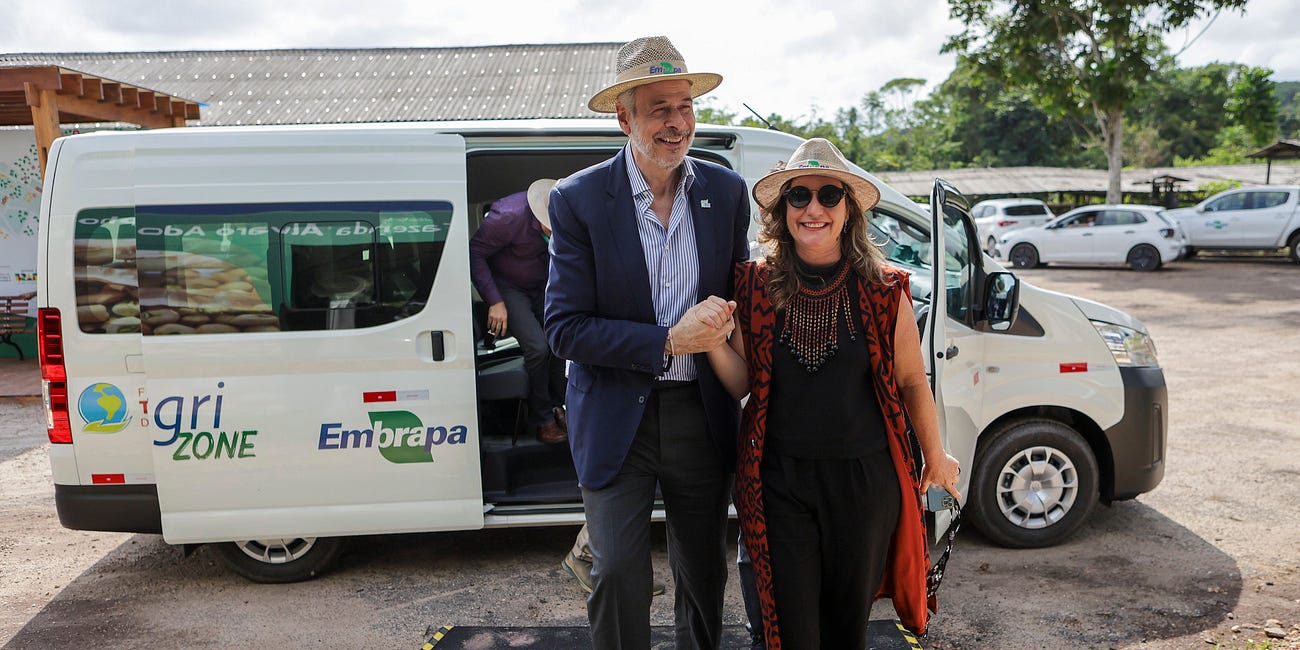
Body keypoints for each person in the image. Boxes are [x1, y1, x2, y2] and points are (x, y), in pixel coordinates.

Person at [706, 138, 962, 649]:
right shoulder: (754, 285)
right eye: (799, 196)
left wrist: (935, 454)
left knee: (847, 630)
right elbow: (741, 384)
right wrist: (712, 341)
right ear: (783, 211)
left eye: (829, 196)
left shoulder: (885, 289)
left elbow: (913, 381)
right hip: (780, 482)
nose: (814, 209)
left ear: (849, 210)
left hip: (865, 485)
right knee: (792, 629)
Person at [544, 35, 749, 650]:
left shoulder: (726, 193)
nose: (677, 122)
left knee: (704, 572)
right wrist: (667, 339)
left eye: (684, 106)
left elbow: (740, 297)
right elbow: (564, 328)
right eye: (659, 108)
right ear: (624, 117)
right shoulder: (578, 200)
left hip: (701, 412)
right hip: (614, 414)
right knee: (614, 572)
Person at [469, 179, 568, 444]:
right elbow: (475, 252)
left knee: (562, 341)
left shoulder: (571, 208)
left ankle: (562, 407)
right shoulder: (509, 215)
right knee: (538, 347)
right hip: (509, 287)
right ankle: (542, 419)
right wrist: (494, 300)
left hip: (544, 286)